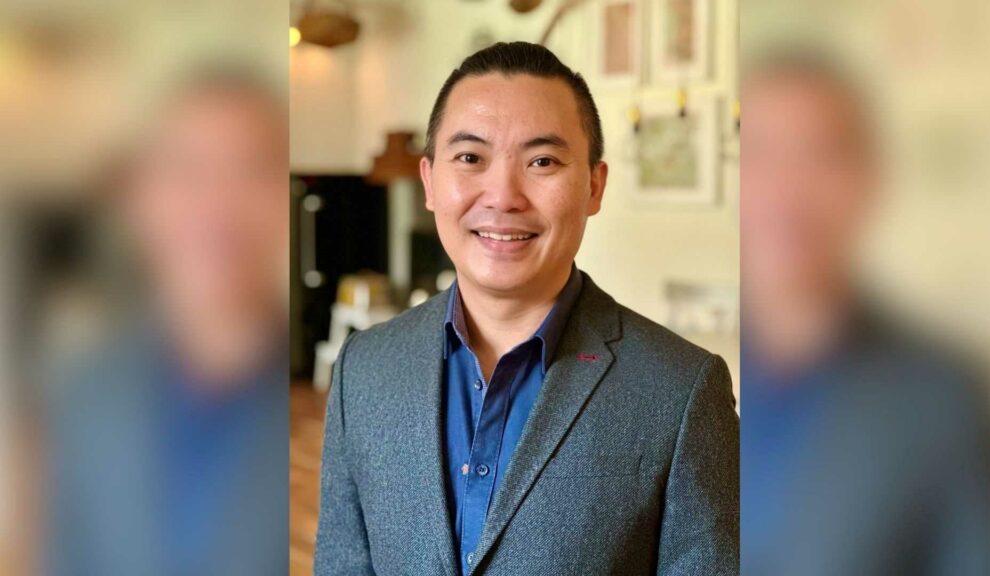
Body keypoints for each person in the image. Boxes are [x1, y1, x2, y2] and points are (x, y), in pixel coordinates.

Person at [315, 42, 739, 575]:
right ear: (429, 182)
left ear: (593, 185)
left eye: (542, 161)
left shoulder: (681, 391)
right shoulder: (365, 368)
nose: (502, 195)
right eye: (470, 158)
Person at [740, 51, 990, 575]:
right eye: (760, 153)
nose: (787, 190)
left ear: (870, 180)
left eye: (821, 154)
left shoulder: (944, 399)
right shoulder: (677, 380)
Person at [46, 69, 289, 576]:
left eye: (249, 168)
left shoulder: (337, 404)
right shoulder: (86, 389)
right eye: (186, 169)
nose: (216, 205)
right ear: (139, 199)